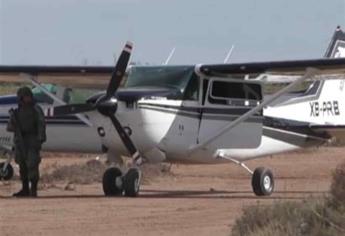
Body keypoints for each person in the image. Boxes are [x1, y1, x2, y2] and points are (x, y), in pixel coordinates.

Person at [7, 86, 46, 197]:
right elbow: (9, 127)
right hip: (20, 141)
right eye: (24, 97)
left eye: (28, 96)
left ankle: (33, 190)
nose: (27, 99)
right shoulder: (17, 111)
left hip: (32, 140)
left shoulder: (36, 109)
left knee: (32, 165)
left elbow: (41, 124)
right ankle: (25, 189)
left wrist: (40, 138)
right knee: (22, 166)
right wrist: (15, 125)